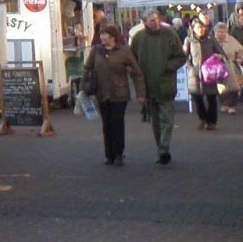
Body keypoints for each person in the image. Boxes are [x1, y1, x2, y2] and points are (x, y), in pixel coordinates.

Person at [81, 24, 143, 166]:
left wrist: (140, 93)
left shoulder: (124, 51)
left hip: (119, 93)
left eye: (105, 34)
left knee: (117, 122)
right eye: (101, 34)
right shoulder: (96, 51)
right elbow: (87, 68)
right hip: (101, 92)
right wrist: (83, 86)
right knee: (106, 123)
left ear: (113, 37)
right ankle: (109, 154)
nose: (101, 37)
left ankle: (119, 153)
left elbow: (137, 72)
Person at [133, 10, 186, 165]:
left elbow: (181, 56)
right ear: (144, 23)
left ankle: (164, 148)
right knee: (155, 122)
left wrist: (168, 67)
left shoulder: (169, 34)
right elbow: (133, 62)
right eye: (151, 21)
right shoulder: (138, 38)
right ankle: (161, 150)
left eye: (156, 19)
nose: (155, 22)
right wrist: (139, 86)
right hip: (149, 86)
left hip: (166, 84)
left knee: (167, 120)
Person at [186, 12, 220, 131]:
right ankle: (203, 118)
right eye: (198, 27)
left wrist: (218, 58)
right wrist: (190, 66)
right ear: (193, 29)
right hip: (195, 75)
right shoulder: (189, 40)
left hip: (210, 74)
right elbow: (184, 56)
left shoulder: (211, 40)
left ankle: (212, 122)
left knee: (211, 98)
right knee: (197, 98)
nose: (200, 30)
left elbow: (220, 53)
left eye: (202, 27)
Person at [213, 21, 243, 115]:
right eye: (218, 31)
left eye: (222, 32)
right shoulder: (212, 41)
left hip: (231, 66)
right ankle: (225, 104)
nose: (220, 34)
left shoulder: (232, 40)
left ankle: (232, 106)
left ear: (226, 32)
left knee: (234, 87)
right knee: (221, 87)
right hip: (217, 67)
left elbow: (240, 51)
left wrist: (239, 58)